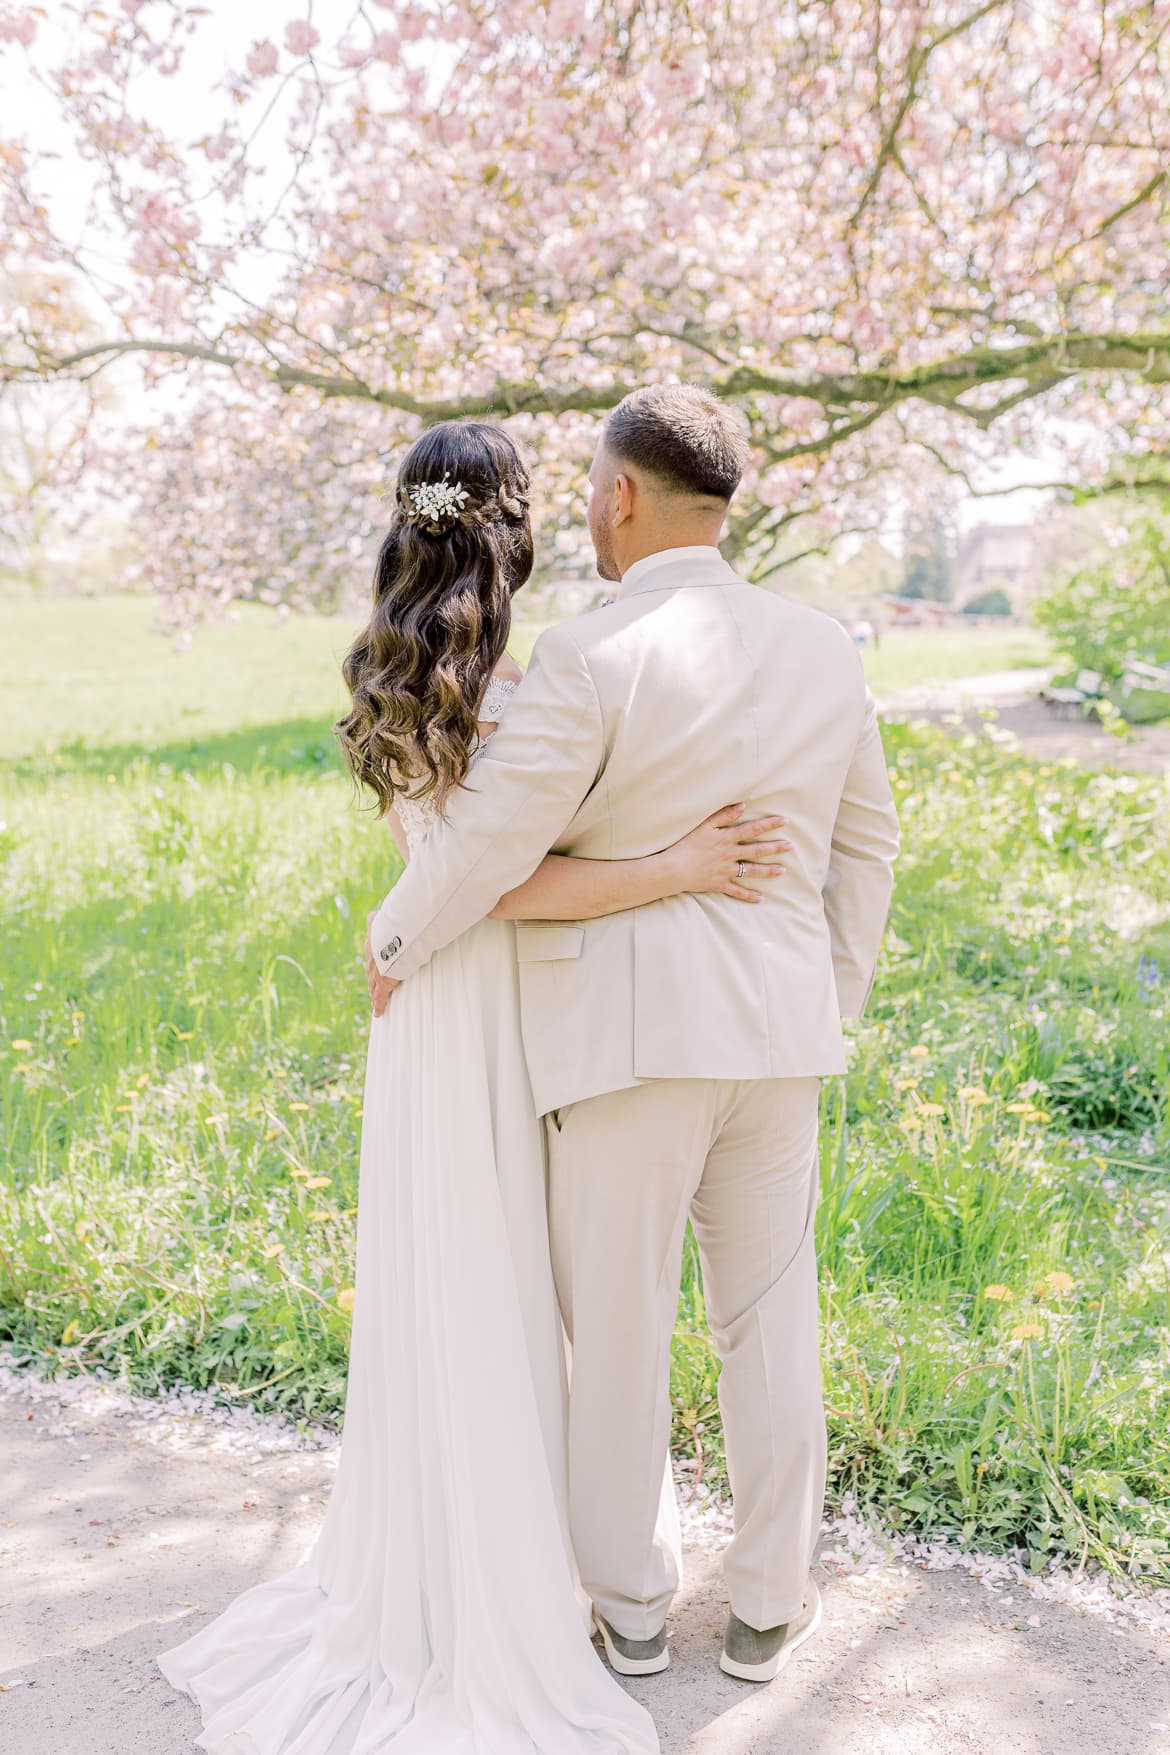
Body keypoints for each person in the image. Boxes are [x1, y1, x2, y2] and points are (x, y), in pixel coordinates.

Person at [154, 417, 790, 1752]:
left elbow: (445, 869)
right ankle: (518, 1584)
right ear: (518, 526)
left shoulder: (401, 666)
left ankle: (491, 1560)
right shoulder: (524, 675)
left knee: (468, 1287)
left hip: (438, 1004)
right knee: (518, 1291)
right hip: (495, 992)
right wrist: (677, 867)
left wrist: (392, 936)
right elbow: (491, 876)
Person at [367, 384, 901, 1686]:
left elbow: (485, 846)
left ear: (617, 497)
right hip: (777, 1046)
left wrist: (390, 943)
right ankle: (770, 1603)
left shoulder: (591, 658)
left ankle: (635, 1607)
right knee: (769, 1324)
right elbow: (867, 842)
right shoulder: (822, 645)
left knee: (613, 1329)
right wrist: (824, 998)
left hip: (623, 1050)